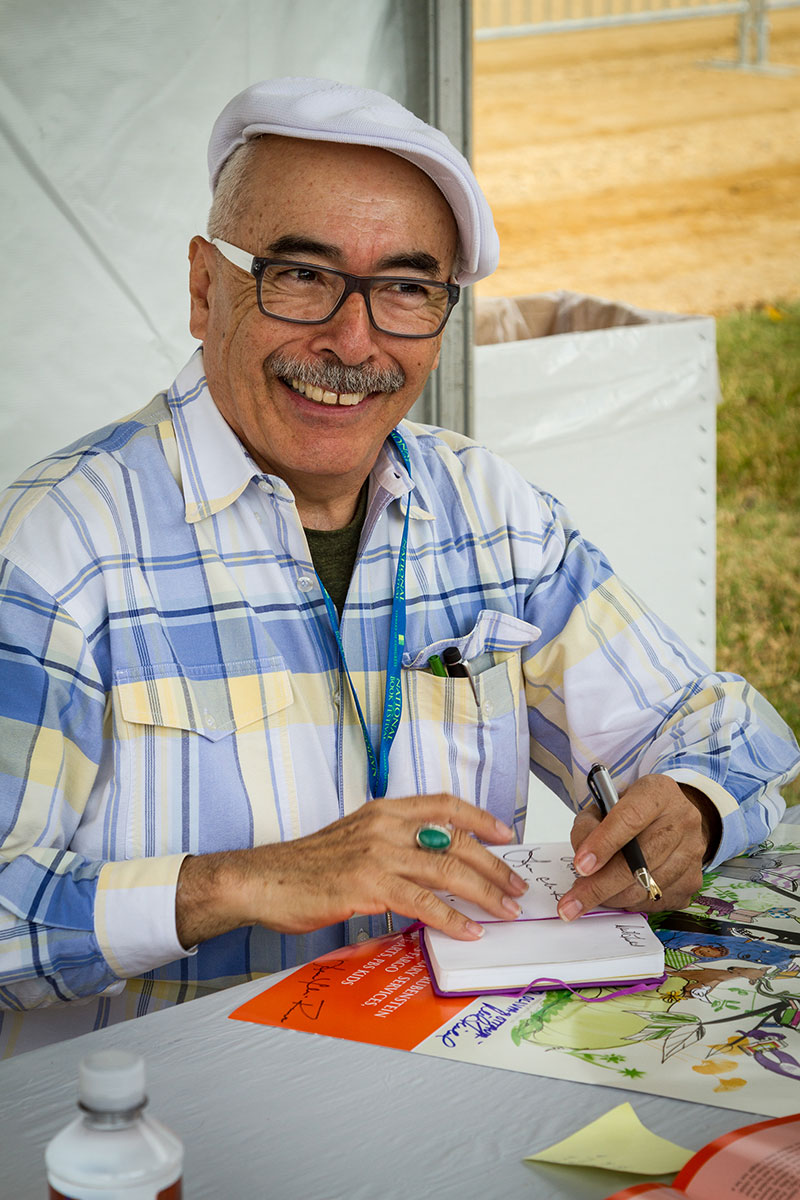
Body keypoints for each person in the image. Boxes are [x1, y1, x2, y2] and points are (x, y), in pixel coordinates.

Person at [0, 77, 797, 1057]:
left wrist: (689, 811)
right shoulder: (55, 550)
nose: (353, 339)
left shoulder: (487, 514)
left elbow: (730, 733)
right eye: (300, 274)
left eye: (406, 290)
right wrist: (240, 880)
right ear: (206, 289)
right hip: (172, 1134)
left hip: (464, 1104)